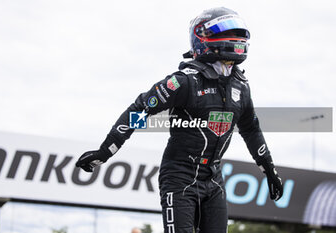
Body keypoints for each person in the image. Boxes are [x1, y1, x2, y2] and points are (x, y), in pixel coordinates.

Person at [76, 7, 283, 233]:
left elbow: (251, 131)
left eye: (238, 32)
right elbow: (140, 108)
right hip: (179, 179)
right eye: (227, 31)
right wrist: (106, 151)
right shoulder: (184, 82)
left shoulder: (241, 86)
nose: (236, 38)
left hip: (214, 180)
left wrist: (269, 171)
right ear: (202, 38)